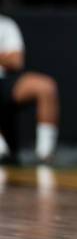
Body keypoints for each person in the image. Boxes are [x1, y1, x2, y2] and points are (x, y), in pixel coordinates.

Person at [0, 14, 59, 164]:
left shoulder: (5, 24)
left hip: (5, 79)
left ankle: (45, 153)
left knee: (46, 87)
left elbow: (16, 60)